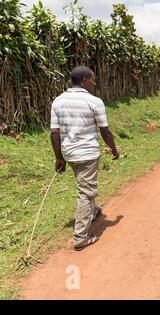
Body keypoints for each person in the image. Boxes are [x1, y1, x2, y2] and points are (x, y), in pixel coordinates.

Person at [50, 66, 120, 251]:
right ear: (84, 80)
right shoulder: (94, 101)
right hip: (87, 153)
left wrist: (59, 158)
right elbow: (104, 130)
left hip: (70, 154)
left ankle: (93, 211)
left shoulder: (58, 101)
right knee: (86, 192)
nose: (94, 83)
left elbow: (55, 132)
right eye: (92, 79)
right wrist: (114, 149)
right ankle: (81, 237)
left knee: (84, 184)